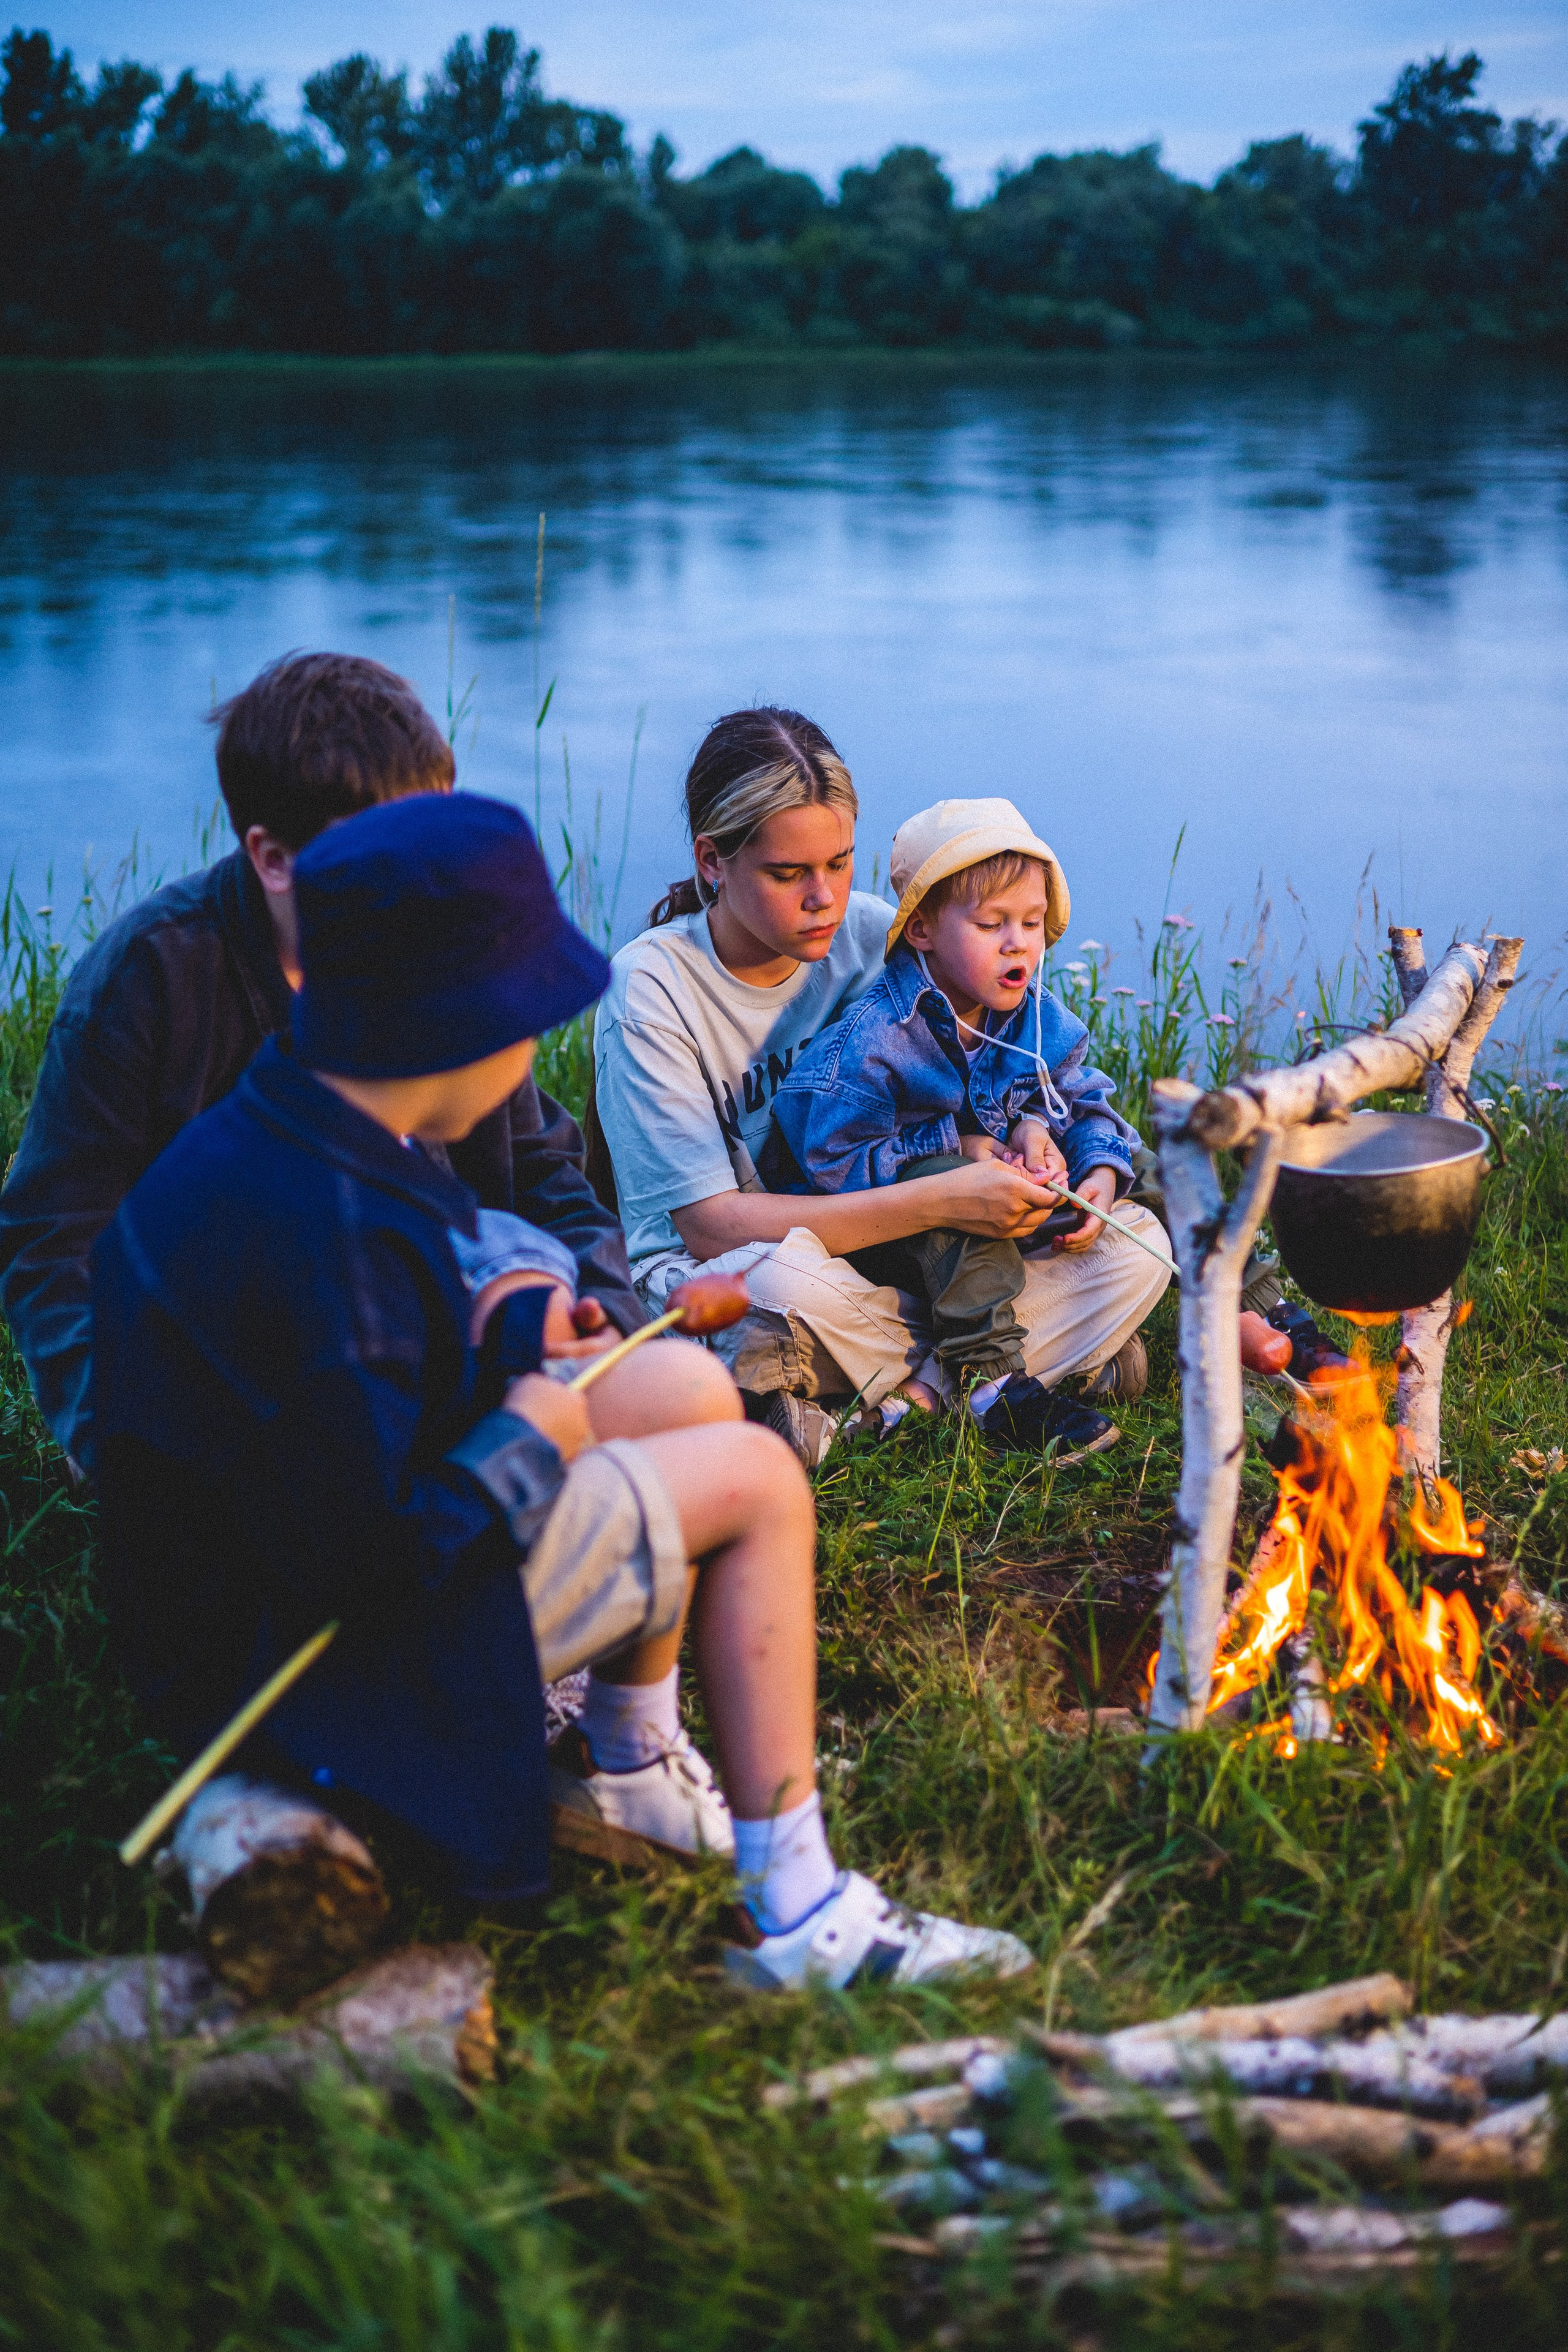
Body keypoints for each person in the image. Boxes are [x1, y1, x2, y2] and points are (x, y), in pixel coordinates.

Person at [92, 793, 1034, 1997]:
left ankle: (630, 1762)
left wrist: (507, 1331)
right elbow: (366, 1557)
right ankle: (804, 1915)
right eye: (530, 1017)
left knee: (686, 1387)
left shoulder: (302, 1126)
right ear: (453, 1025)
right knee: (756, 1477)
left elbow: (368, 1380)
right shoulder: (335, 1238)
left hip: (297, 1578)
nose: (539, 1049)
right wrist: (521, 1444)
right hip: (292, 1673)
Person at [0, 652, 645, 1481]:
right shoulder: (152, 979)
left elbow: (544, 1169)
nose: (428, 876)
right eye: (389, 849)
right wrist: (119, 1440)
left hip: (436, 1320)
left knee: (668, 1394)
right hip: (270, 1367)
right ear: (272, 856)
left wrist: (609, 1319)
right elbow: (55, 1240)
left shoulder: (440, 944)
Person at [592, 709, 1171, 1466]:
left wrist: (1025, 1147)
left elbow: (979, 1088)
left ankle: (902, 1394)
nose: (823, 898)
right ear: (712, 861)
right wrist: (943, 1197)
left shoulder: (872, 938)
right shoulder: (651, 991)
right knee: (787, 1286)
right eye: (787, 873)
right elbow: (709, 1228)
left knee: (1139, 1246)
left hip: (895, 1256)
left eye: (838, 863)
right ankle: (1004, 1374)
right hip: (732, 1270)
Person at [769, 799, 1159, 1460]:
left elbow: (1076, 1097)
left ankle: (1253, 1302)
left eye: (1033, 924)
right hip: (884, 1236)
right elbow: (833, 1167)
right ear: (921, 930)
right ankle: (993, 1384)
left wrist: (1066, 1150)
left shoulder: (1036, 1016)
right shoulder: (877, 1040)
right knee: (960, 1192)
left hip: (989, 1217)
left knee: (1138, 1159)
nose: (1019, 943)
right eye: (991, 924)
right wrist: (961, 1151)